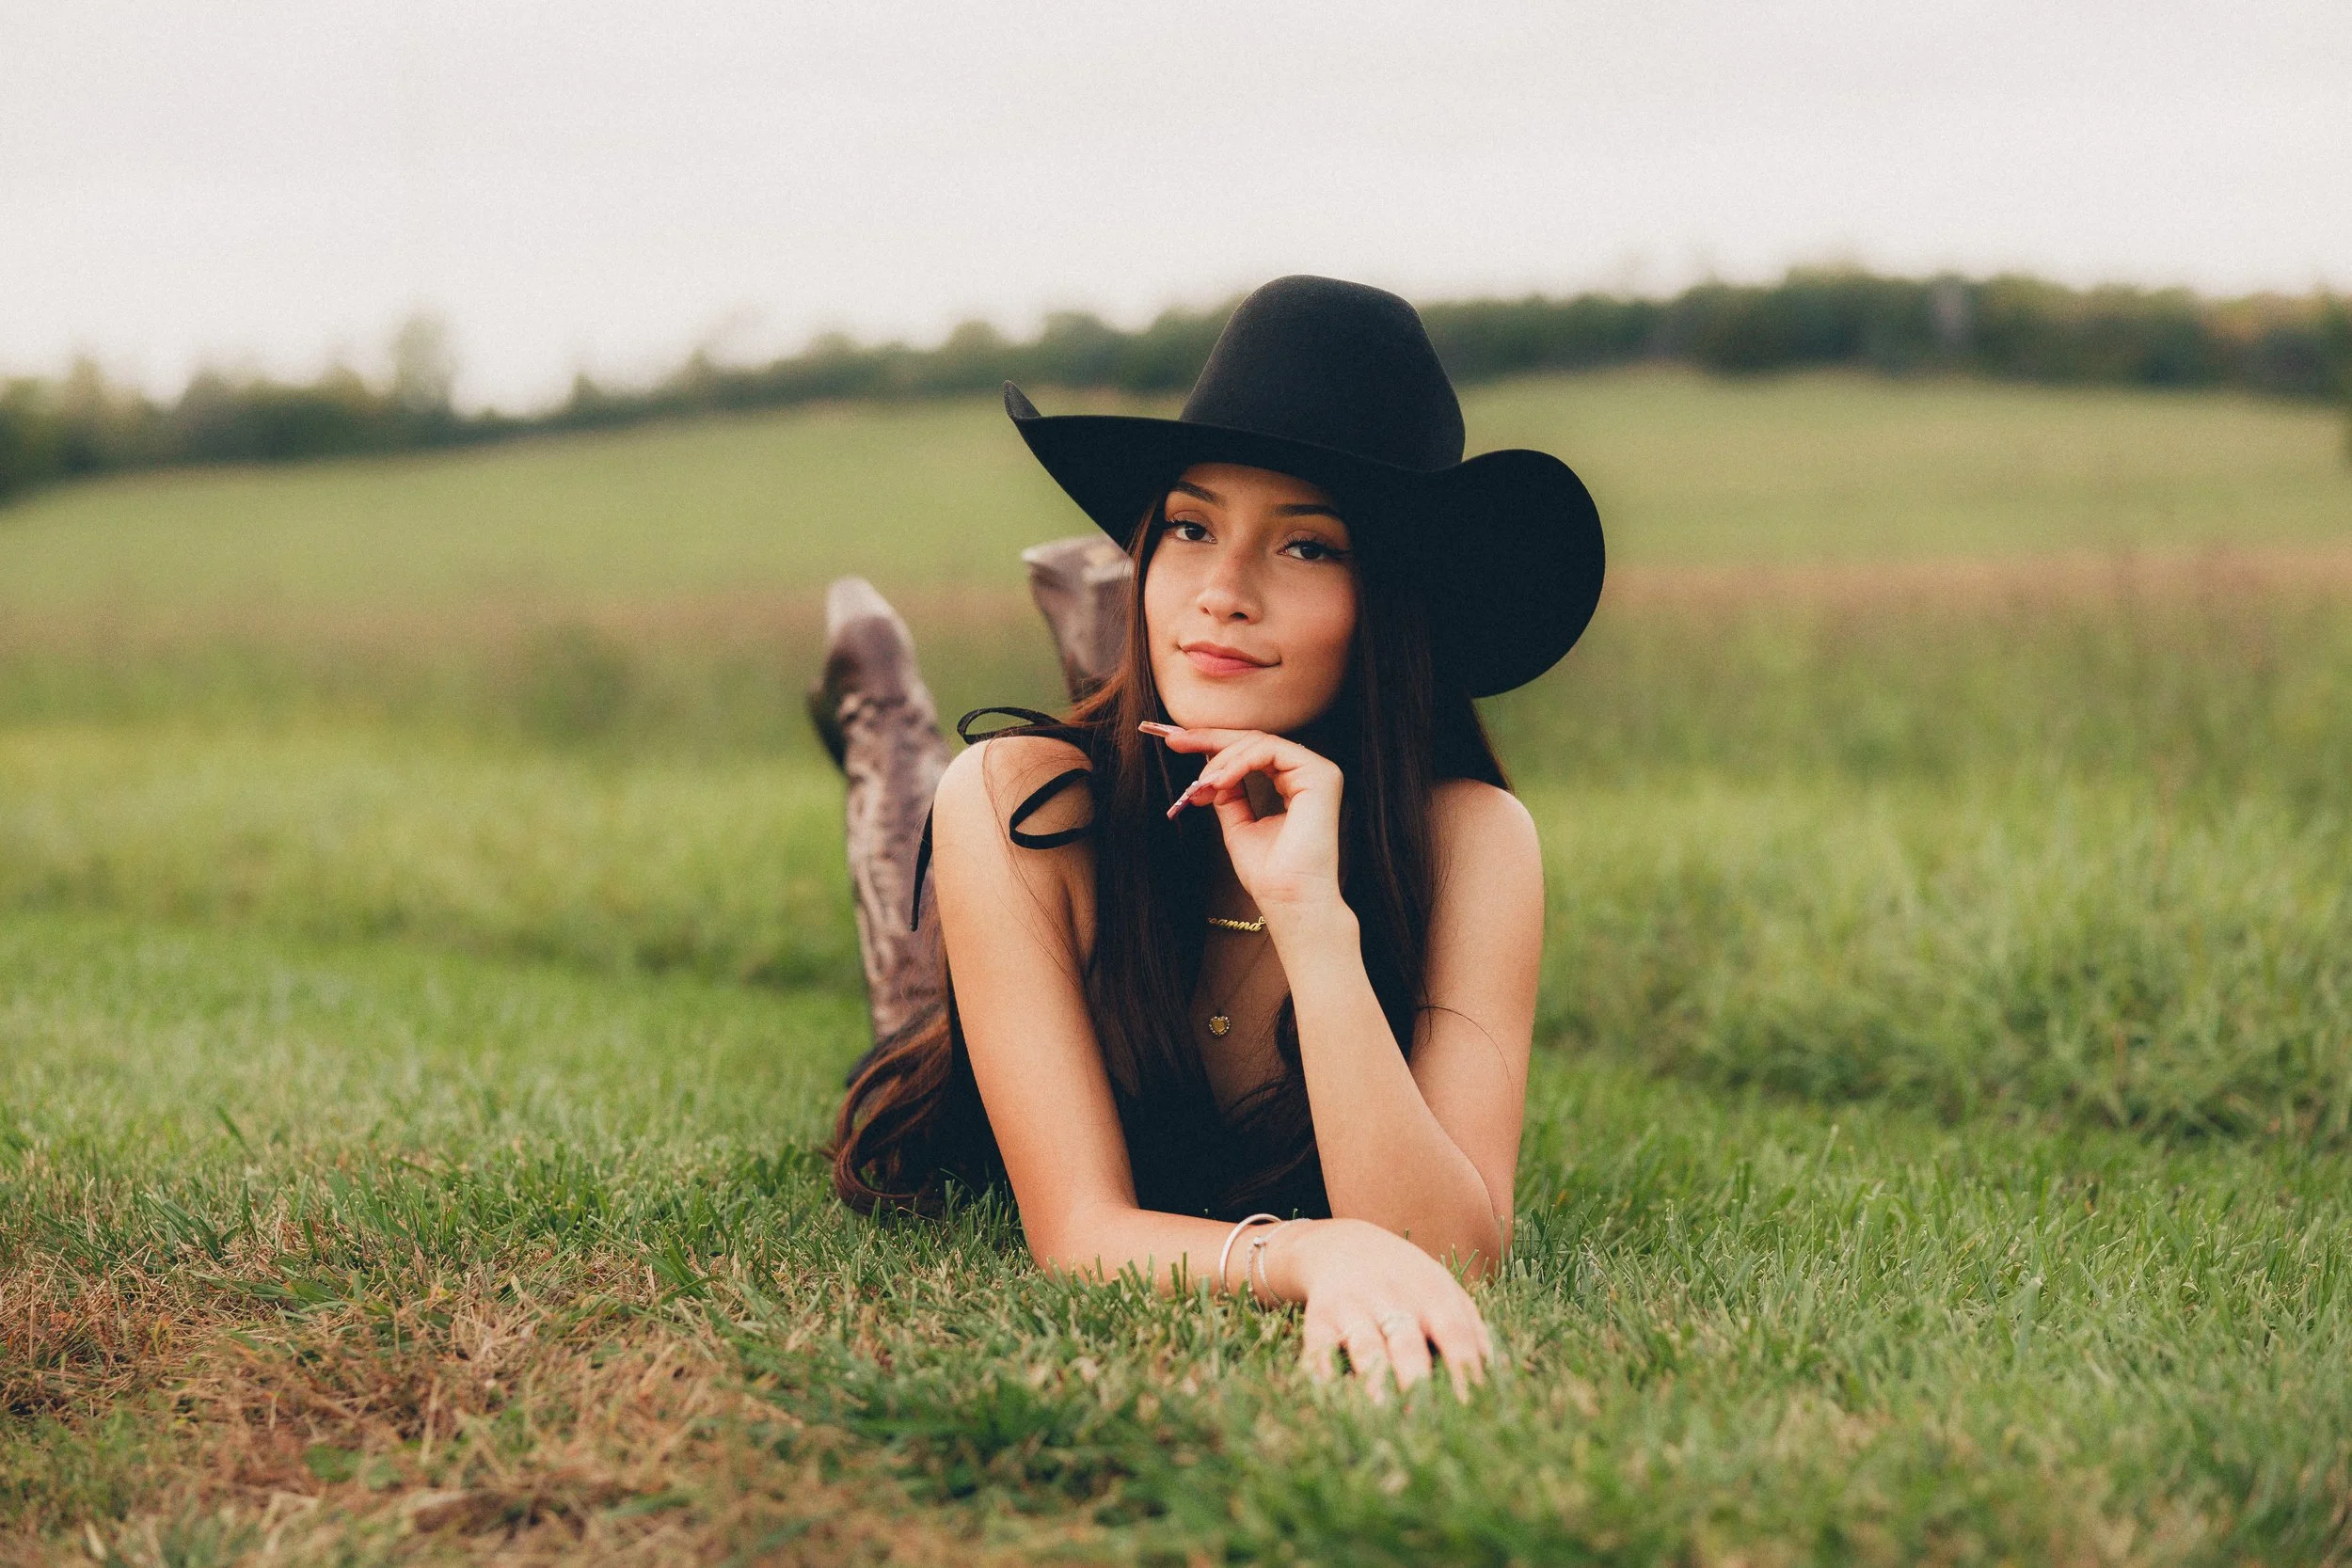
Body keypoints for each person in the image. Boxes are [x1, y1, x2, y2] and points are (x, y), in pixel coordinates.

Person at [817, 276, 1604, 1400]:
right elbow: (1078, 1228)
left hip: (1254, 817)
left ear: (1390, 601)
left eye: (1306, 547)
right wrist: (1311, 1249)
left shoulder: (1472, 835)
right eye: (1186, 529)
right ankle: (879, 704)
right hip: (973, 1033)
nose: (1223, 587)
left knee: (1143, 699)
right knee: (919, 860)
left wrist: (1312, 920)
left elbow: (1452, 1247)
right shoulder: (1016, 802)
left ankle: (1106, 639)